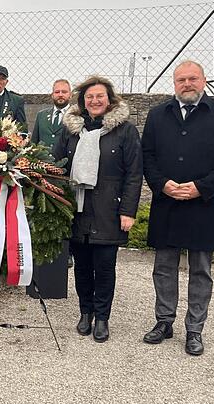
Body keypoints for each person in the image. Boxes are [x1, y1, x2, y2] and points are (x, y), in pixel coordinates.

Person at [141, 60, 214, 356]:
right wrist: (163, 184)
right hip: (167, 202)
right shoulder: (159, 114)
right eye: (181, 79)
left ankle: (195, 328)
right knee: (163, 267)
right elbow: (147, 156)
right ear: (174, 83)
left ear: (203, 80)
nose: (187, 84)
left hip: (204, 203)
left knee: (200, 269)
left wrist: (202, 187)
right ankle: (164, 321)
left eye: (192, 78)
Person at [52, 75, 142, 343]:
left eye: (99, 96)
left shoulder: (125, 131)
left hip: (108, 210)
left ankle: (102, 317)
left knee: (104, 267)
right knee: (81, 266)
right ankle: (85, 312)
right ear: (82, 101)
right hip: (77, 208)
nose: (94, 101)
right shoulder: (70, 131)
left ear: (109, 99)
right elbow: (57, 167)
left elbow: (134, 174)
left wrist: (128, 211)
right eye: (89, 97)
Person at [32, 79, 71, 151]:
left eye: (64, 92)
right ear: (52, 95)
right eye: (57, 92)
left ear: (70, 95)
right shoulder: (41, 115)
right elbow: (34, 142)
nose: (60, 95)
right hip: (42, 161)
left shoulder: (76, 116)